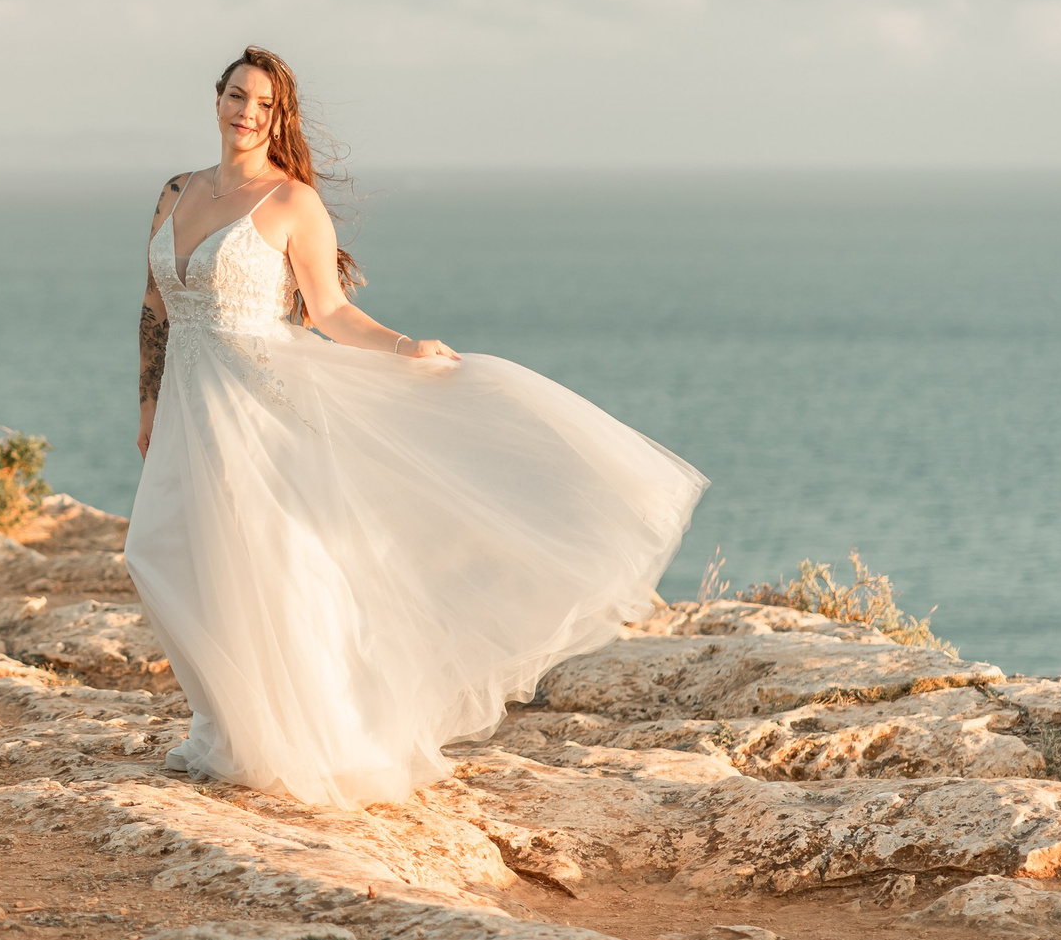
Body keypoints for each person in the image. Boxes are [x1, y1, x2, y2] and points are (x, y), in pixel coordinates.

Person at [125, 45, 706, 806]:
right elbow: (154, 302)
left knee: (267, 565)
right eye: (237, 95)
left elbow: (329, 311)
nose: (246, 112)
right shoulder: (176, 190)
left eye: (263, 104)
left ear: (278, 118)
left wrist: (405, 346)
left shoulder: (293, 203)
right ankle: (229, 722)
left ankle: (306, 735)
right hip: (187, 405)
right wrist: (146, 401)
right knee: (162, 550)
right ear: (217, 99)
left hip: (258, 408)